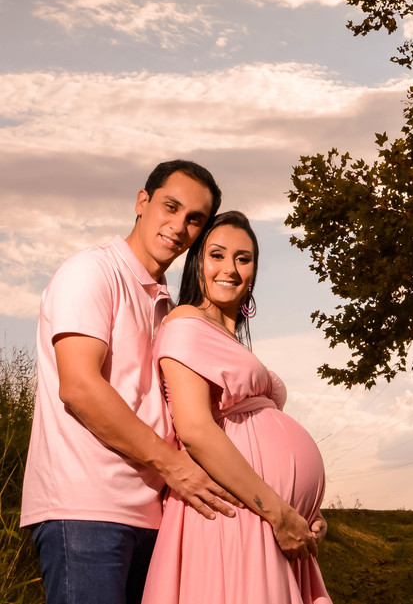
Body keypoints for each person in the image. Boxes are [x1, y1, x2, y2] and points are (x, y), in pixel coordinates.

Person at [22, 160, 240, 604]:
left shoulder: (167, 305)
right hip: (85, 510)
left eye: (194, 219)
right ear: (142, 202)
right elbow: (79, 387)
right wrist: (173, 467)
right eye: (170, 207)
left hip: (155, 514)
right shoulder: (93, 272)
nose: (179, 226)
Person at [142, 210, 331, 604]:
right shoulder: (186, 324)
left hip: (264, 518)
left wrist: (300, 513)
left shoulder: (223, 337)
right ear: (197, 263)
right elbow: (194, 429)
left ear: (254, 272)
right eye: (217, 255)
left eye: (243, 259)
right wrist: (279, 512)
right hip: (235, 514)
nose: (230, 268)